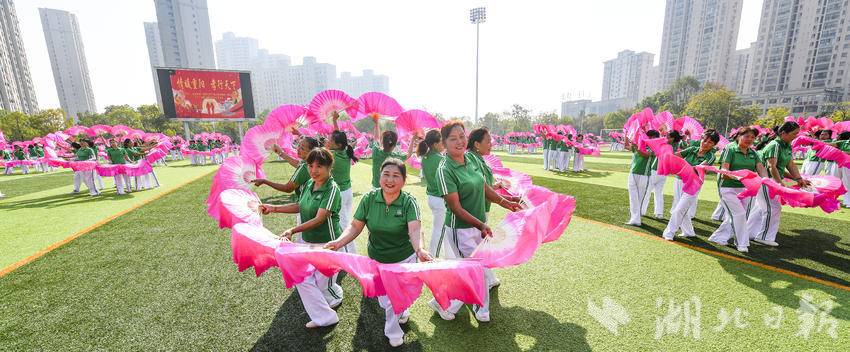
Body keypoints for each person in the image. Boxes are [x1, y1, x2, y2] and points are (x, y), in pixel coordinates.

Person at [325, 159, 433, 347]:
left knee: (393, 297)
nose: (390, 180)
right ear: (380, 176)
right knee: (385, 301)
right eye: (386, 174)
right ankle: (400, 309)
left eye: (396, 176)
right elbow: (355, 226)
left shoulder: (409, 202)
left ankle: (392, 331)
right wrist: (339, 242)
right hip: (377, 259)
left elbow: (415, 230)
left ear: (404, 180)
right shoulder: (369, 199)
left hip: (403, 259)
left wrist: (420, 249)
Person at [428, 121, 522, 323]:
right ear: (444, 143)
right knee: (475, 268)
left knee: (470, 268)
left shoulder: (469, 160)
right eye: (453, 138)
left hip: (478, 226)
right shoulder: (444, 169)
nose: (460, 141)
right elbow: (455, 207)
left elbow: (484, 187)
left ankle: (445, 302)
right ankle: (480, 308)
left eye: (462, 136)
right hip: (460, 229)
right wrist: (480, 224)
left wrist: (507, 202)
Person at [258, 148, 344, 328]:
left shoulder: (332, 189)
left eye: (319, 166)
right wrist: (273, 208)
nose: (313, 170)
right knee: (301, 278)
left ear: (329, 167)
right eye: (310, 165)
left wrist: (292, 229)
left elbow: (320, 218)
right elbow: (299, 205)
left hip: (328, 244)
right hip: (307, 242)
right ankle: (325, 316)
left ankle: (335, 296)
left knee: (323, 286)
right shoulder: (308, 185)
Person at [467, 127, 522, 290]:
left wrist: (496, 186)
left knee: (479, 244)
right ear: (477, 144)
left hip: (481, 206)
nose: (491, 144)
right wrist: (508, 200)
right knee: (476, 247)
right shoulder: (471, 158)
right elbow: (480, 188)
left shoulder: (477, 158)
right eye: (488, 141)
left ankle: (487, 278)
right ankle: (481, 281)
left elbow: (483, 185)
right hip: (476, 208)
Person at [747, 122, 809, 247]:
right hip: (766, 180)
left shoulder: (787, 145)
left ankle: (749, 232)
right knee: (773, 208)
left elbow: (790, 164)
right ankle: (764, 237)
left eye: (797, 133)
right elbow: (771, 167)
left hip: (772, 180)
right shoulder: (774, 145)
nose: (796, 136)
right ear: (783, 133)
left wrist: (798, 178)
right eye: (794, 134)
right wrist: (779, 184)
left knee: (761, 207)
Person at [708, 126, 768, 253]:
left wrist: (766, 180)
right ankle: (742, 243)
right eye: (747, 136)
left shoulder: (753, 153)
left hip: (746, 189)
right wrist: (737, 176)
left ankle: (718, 237)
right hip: (727, 187)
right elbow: (724, 169)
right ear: (739, 136)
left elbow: (761, 169)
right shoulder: (730, 149)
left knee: (738, 215)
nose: (750, 139)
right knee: (739, 214)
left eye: (753, 137)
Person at [662, 130, 719, 240]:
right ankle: (689, 232)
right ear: (701, 139)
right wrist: (665, 151)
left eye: (710, 142)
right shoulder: (693, 149)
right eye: (705, 140)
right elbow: (675, 156)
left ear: (714, 145)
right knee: (682, 207)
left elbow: (697, 168)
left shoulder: (711, 156)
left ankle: (669, 233)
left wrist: (682, 166)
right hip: (679, 180)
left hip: (694, 184)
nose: (706, 143)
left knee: (679, 209)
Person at [254, 137, 320, 224]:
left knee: (304, 236)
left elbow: (287, 188)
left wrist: (265, 181)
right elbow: (297, 163)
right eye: (298, 145)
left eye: (302, 148)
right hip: (314, 207)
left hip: (307, 211)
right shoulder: (314, 163)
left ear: (312, 151)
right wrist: (281, 153)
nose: (298, 149)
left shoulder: (305, 167)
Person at [328, 112, 359, 253]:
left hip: (340, 194)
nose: (328, 141)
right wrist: (335, 120)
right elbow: (339, 135)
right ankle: (349, 252)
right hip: (347, 192)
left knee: (344, 224)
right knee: (346, 221)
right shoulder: (346, 150)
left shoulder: (332, 156)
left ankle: (349, 254)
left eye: (331, 140)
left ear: (338, 144)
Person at [417, 129, 448, 256]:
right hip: (440, 199)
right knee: (440, 231)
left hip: (432, 198)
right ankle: (432, 257)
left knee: (439, 230)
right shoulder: (441, 159)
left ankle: (434, 256)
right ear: (435, 144)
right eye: (441, 142)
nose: (444, 144)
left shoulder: (426, 157)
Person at [624, 130, 659, 226]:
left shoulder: (655, 147)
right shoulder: (640, 144)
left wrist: (636, 145)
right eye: (650, 137)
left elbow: (645, 154)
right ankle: (635, 218)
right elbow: (626, 146)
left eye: (653, 137)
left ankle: (636, 219)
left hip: (644, 175)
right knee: (633, 197)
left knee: (639, 197)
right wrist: (627, 134)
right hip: (632, 172)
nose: (651, 139)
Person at [370, 119, 416, 189]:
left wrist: (376, 123)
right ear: (394, 145)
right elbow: (409, 154)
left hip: (376, 189)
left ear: (382, 142)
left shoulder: (376, 152)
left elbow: (376, 138)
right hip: (391, 189)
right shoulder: (396, 157)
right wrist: (413, 139)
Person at [647, 130, 681, 219]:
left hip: (656, 169)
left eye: (667, 136)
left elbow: (654, 145)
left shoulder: (666, 144)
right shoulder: (676, 145)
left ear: (672, 138)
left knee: (647, 191)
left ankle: (642, 211)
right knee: (659, 192)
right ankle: (659, 213)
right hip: (664, 171)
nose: (665, 137)